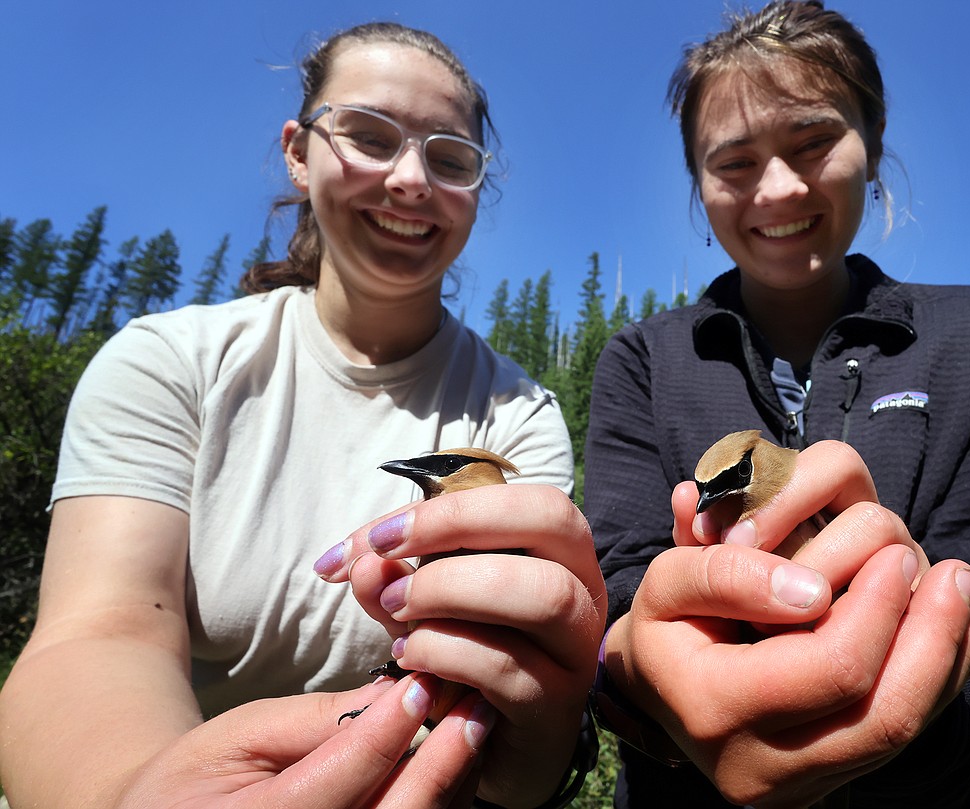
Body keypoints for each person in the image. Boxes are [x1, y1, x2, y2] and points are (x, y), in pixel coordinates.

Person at [0, 21, 604, 808]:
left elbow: (514, 701)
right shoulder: (171, 361)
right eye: (369, 136)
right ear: (299, 148)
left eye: (450, 158)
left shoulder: (519, 415)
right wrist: (141, 791)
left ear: (476, 189)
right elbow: (98, 634)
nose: (411, 179)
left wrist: (536, 737)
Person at [585, 2, 970, 807]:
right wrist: (657, 679)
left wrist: (920, 720)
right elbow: (621, 596)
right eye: (734, 162)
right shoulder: (644, 360)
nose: (777, 187)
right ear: (699, 186)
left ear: (873, 144)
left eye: (813, 142)